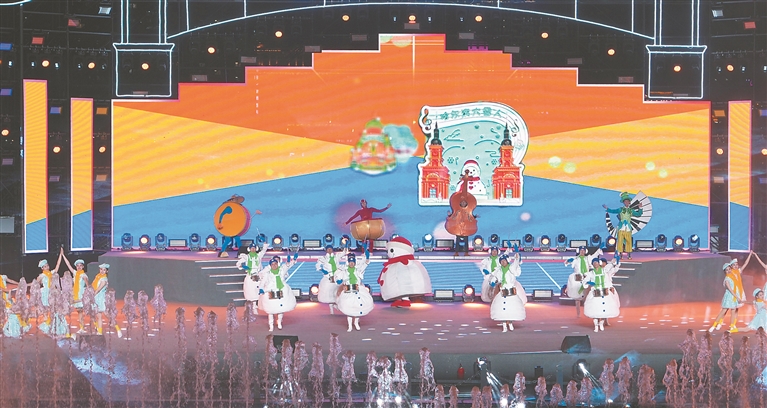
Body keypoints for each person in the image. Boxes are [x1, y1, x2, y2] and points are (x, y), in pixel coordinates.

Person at [709, 255, 750, 333]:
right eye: (733, 265)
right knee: (724, 310)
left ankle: (732, 325)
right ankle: (716, 324)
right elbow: (730, 289)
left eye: (736, 265)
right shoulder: (727, 278)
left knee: (735, 309)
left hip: (738, 293)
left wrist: (750, 255)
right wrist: (737, 297)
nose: (735, 266)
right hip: (731, 295)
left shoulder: (736, 272)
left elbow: (745, 264)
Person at [258, 252, 298, 331]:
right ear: (270, 265)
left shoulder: (282, 270)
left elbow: (288, 265)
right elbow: (262, 282)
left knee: (280, 308)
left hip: (281, 290)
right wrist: (261, 288)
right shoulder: (267, 273)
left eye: (275, 264)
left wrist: (294, 259)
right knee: (271, 310)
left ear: (278, 264)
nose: (274, 265)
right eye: (272, 264)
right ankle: (271, 325)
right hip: (271, 291)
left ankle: (279, 322)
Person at [335, 251, 374, 332]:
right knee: (349, 309)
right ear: (348, 262)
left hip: (357, 290)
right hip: (348, 291)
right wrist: (339, 281)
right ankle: (349, 325)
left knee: (357, 308)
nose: (351, 263)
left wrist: (367, 257)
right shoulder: (344, 271)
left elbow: (365, 265)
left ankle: (356, 323)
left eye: (353, 262)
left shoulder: (358, 270)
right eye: (350, 262)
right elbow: (338, 279)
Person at [489, 253, 526, 332]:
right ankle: (504, 325)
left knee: (511, 309)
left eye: (504, 261)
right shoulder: (498, 270)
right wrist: (492, 282)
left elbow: (516, 263)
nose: (503, 262)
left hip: (511, 293)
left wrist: (517, 257)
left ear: (507, 261)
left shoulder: (512, 268)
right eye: (501, 261)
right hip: (502, 292)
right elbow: (494, 278)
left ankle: (510, 323)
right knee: (502, 310)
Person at [584, 258, 620, 332]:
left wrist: (613, 262)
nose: (595, 264)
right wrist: (589, 283)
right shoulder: (590, 273)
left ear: (599, 263)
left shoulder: (604, 271)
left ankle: (601, 324)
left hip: (604, 292)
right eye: (594, 263)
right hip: (595, 293)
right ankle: (596, 325)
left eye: (596, 262)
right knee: (595, 309)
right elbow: (584, 281)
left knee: (604, 310)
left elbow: (609, 266)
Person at [603, 192, 643, 260]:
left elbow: (638, 214)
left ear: (629, 202)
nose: (626, 202)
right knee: (620, 241)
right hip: (621, 228)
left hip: (628, 228)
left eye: (627, 201)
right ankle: (621, 254)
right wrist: (607, 209)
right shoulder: (621, 209)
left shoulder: (631, 210)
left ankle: (629, 255)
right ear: (623, 202)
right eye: (625, 201)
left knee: (628, 241)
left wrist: (640, 207)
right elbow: (614, 211)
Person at [564, 246, 601, 317]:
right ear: (579, 251)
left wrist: (599, 249)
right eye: (581, 250)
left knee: (587, 295)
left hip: (586, 277)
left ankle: (588, 311)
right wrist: (568, 261)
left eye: (583, 250)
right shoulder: (576, 259)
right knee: (577, 297)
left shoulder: (588, 258)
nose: (582, 252)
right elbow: (566, 262)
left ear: (585, 251)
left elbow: (594, 255)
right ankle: (578, 313)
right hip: (578, 278)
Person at [237, 241, 267, 316]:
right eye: (252, 248)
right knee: (251, 292)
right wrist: (243, 266)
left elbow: (264, 251)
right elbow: (238, 263)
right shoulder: (246, 257)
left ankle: (255, 307)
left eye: (254, 248)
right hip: (250, 275)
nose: (253, 249)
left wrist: (265, 244)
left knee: (257, 291)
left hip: (257, 275)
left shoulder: (258, 256)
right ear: (249, 249)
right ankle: (252, 307)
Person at [35, 249, 64, 326]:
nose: (47, 267)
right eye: (45, 266)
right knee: (45, 309)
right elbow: (36, 284)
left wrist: (60, 255)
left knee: (53, 308)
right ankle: (46, 324)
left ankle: (51, 323)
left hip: (52, 292)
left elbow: (58, 265)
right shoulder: (42, 275)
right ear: (42, 268)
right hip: (45, 292)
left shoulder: (51, 273)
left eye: (47, 266)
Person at [92, 263, 122, 337]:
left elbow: (98, 289)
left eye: (104, 270)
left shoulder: (104, 279)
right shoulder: (97, 277)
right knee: (98, 316)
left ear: (107, 271)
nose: (102, 271)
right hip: (96, 298)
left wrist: (92, 295)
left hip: (101, 299)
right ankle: (99, 332)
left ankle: (117, 328)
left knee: (107, 315)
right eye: (101, 269)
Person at [61, 257, 89, 333]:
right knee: (79, 311)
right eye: (77, 266)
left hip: (81, 294)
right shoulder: (75, 273)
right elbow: (68, 265)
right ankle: (82, 328)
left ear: (83, 266)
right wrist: (63, 256)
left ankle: (84, 327)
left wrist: (87, 294)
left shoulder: (83, 275)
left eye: (80, 265)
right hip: (75, 293)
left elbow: (87, 285)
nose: (79, 267)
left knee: (81, 311)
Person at [315, 245, 344, 314]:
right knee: (330, 292)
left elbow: (344, 253)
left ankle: (337, 304)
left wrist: (345, 246)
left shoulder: (336, 256)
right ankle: (331, 308)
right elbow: (317, 265)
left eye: (330, 249)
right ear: (326, 250)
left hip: (337, 276)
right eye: (328, 249)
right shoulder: (323, 258)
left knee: (338, 291)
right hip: (328, 277)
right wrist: (322, 270)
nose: (329, 250)